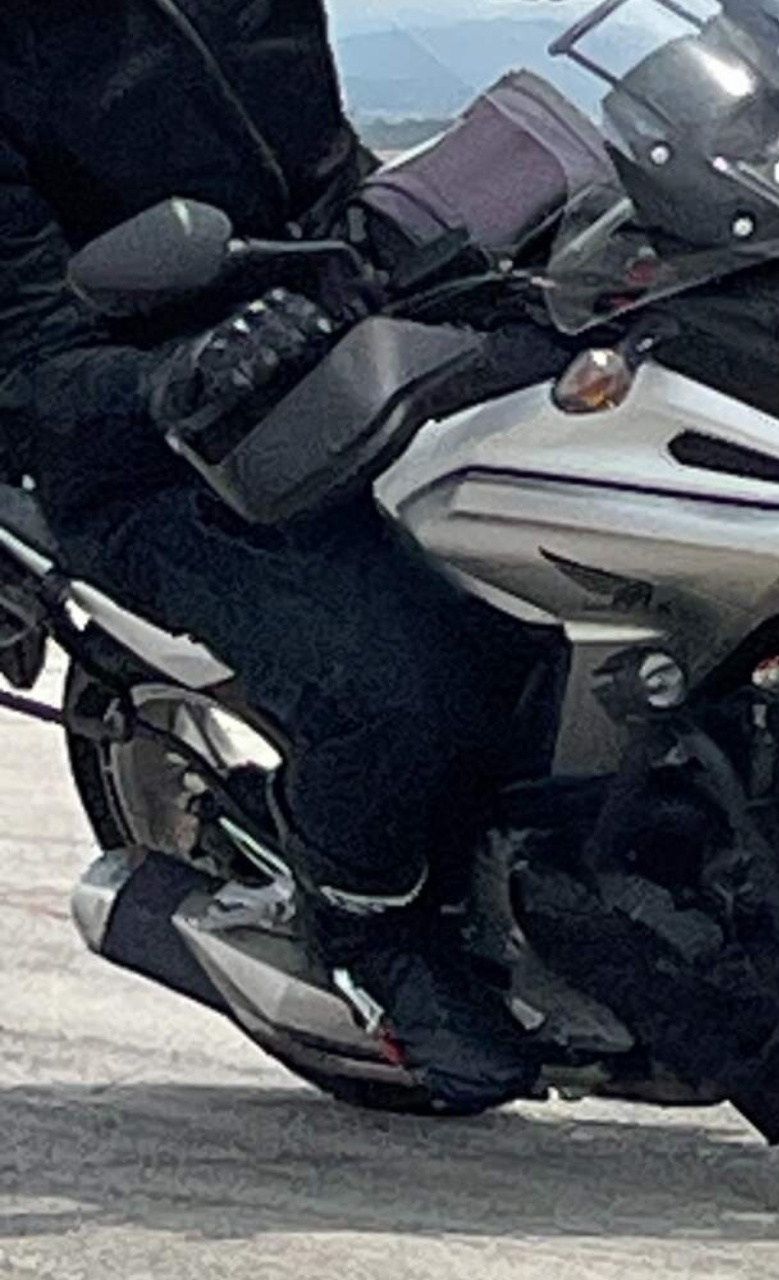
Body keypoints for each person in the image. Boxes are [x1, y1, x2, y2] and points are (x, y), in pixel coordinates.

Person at [0, 2, 544, 1111]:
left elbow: (325, 167)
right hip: (149, 461)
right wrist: (172, 377)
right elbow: (25, 358)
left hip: (345, 354)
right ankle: (364, 925)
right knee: (402, 680)